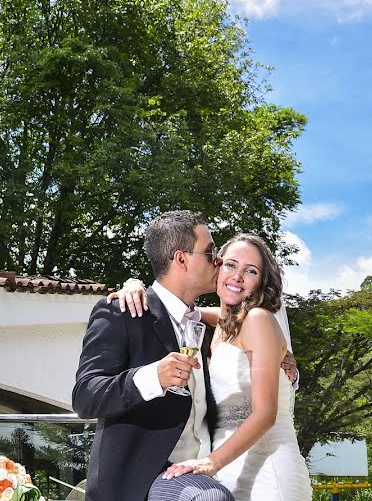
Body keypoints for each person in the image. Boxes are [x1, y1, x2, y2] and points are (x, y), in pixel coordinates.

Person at [111, 234, 312, 501]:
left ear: (261, 282)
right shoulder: (222, 322)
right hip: (228, 467)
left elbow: (266, 414)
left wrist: (211, 462)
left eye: (251, 271)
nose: (237, 276)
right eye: (231, 265)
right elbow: (170, 305)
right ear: (216, 266)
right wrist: (133, 285)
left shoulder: (258, 319)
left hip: (267, 464)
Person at [71, 210, 234, 501]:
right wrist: (152, 377)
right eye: (210, 253)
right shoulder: (122, 312)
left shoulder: (207, 327)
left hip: (210, 469)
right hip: (141, 482)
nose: (219, 261)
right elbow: (86, 397)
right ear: (181, 259)